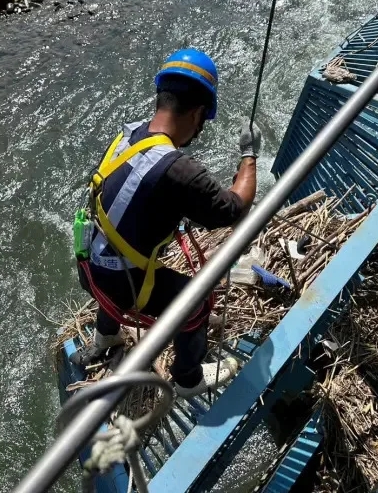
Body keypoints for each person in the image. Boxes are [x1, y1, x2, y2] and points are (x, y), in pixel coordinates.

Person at [75, 48, 261, 398]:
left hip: (89, 266)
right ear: (199, 113)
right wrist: (249, 155)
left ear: (161, 98)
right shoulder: (178, 170)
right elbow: (233, 209)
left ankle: (105, 336)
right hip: (123, 285)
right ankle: (188, 379)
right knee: (196, 303)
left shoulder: (128, 136)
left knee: (116, 256)